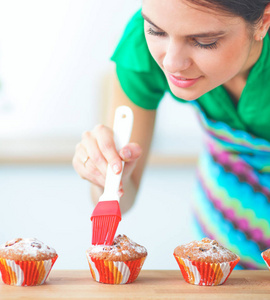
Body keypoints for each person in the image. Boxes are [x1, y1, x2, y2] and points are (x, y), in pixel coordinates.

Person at [72, 0, 270, 269]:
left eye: (204, 41)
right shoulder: (140, 45)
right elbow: (122, 199)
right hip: (224, 223)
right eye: (156, 31)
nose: (172, 63)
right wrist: (107, 178)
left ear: (264, 21)